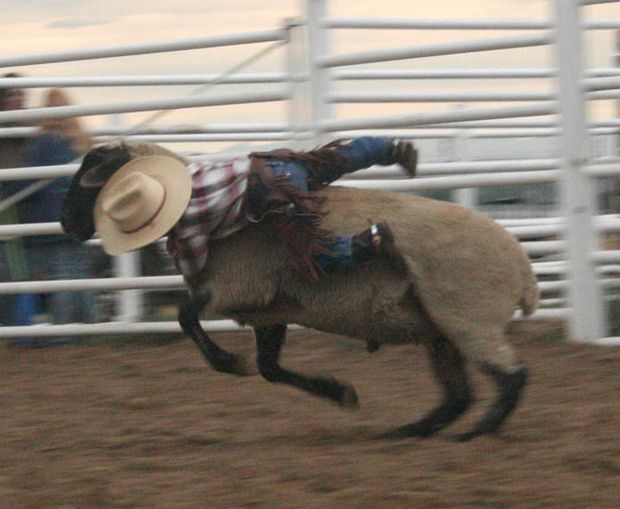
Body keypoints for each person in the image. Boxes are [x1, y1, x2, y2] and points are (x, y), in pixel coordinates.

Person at [62, 137, 418, 283]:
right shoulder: (185, 175)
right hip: (268, 165)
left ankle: (370, 241)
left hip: (273, 197)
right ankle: (387, 149)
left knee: (317, 256)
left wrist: (176, 253)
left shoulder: (186, 225)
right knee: (328, 161)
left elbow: (195, 267)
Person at [6, 88, 96, 344]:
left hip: (46, 224)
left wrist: (6, 186)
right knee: (77, 277)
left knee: (59, 281)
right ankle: (87, 329)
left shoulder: (44, 142)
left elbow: (27, 182)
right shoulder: (83, 142)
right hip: (79, 221)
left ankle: (62, 335)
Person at [0, 72, 32, 330]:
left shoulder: (25, 126)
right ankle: (19, 327)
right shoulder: (11, 126)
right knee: (14, 267)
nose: (19, 99)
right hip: (7, 202)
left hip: (16, 202)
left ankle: (19, 326)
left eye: (21, 93)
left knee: (15, 267)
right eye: (13, 94)